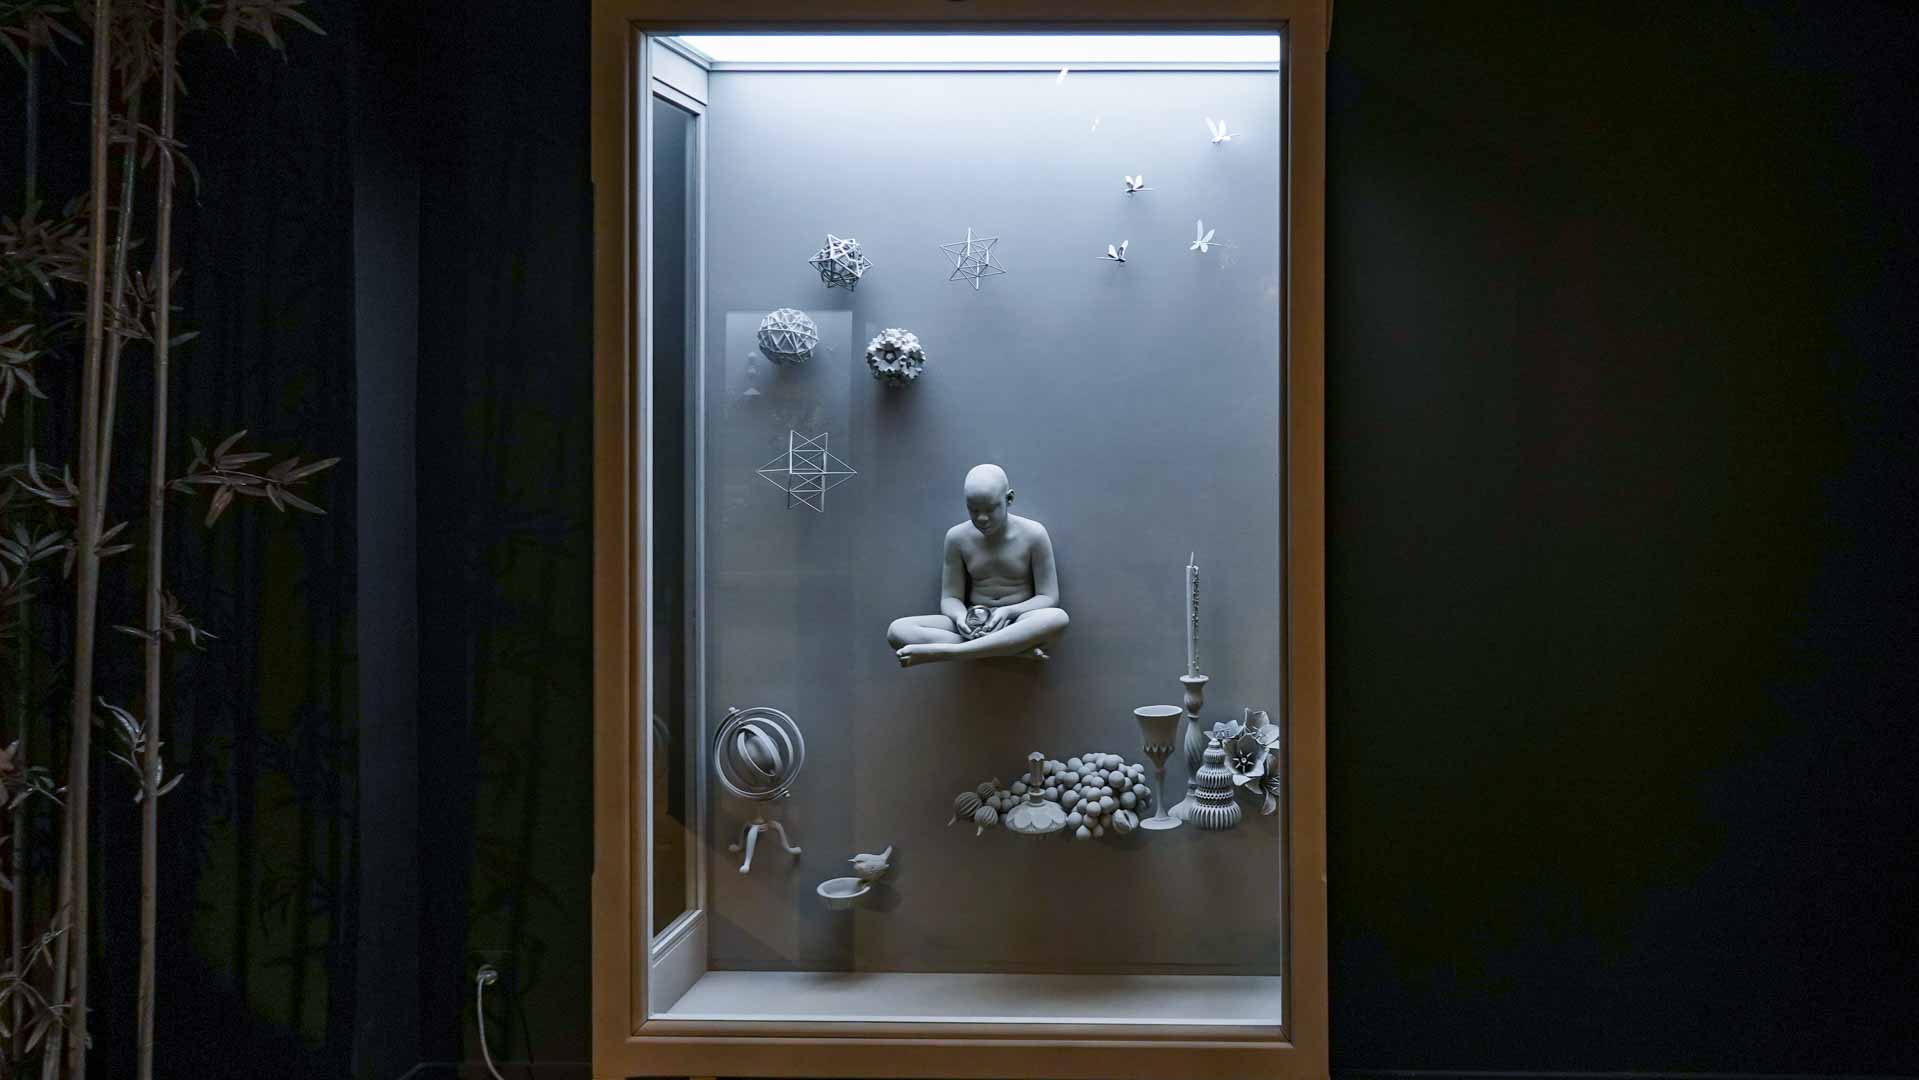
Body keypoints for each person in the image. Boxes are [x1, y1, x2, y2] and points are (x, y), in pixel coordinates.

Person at [886, 464, 1069, 667]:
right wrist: (961, 617)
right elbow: (951, 598)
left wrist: (1009, 612)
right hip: (973, 623)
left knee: (1057, 618)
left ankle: (952, 652)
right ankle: (1011, 650)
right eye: (973, 510)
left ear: (1009, 499)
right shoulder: (957, 537)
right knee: (897, 630)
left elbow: (1048, 597)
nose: (982, 518)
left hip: (1017, 622)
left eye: (991, 509)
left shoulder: (1034, 534)